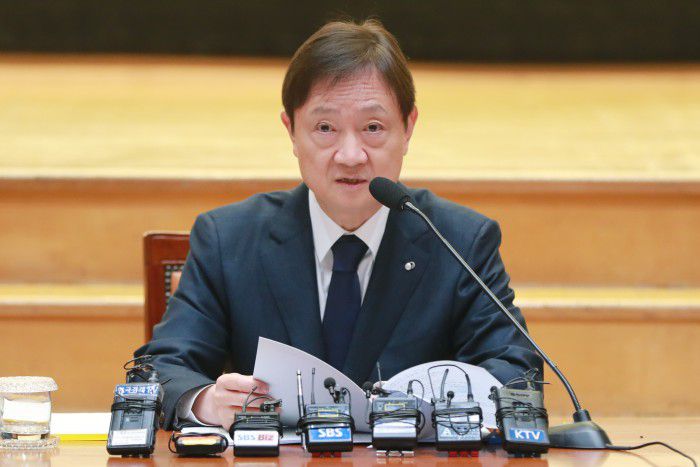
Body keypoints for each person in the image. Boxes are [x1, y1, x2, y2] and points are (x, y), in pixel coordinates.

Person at [135, 19, 541, 430]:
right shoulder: (229, 239)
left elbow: (517, 373)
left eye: (373, 128)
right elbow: (161, 370)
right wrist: (206, 402)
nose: (350, 156)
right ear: (291, 131)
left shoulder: (460, 241)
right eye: (325, 128)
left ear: (408, 128)